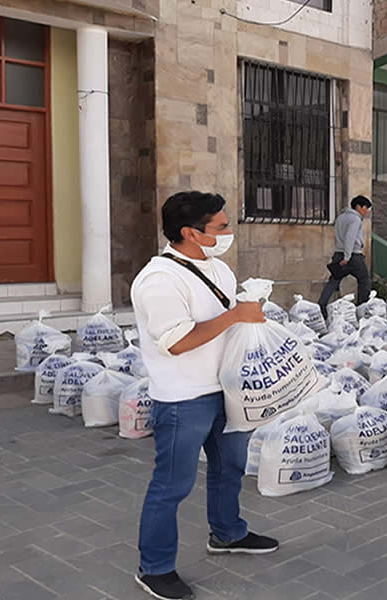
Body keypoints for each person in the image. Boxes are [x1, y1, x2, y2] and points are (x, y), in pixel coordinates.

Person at [131, 192, 278, 600]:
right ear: (190, 233)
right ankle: (155, 568)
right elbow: (177, 342)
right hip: (184, 398)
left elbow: (227, 322)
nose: (229, 232)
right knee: (172, 485)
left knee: (230, 467)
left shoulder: (216, 268)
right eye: (221, 227)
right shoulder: (159, 280)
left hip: (228, 390)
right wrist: (235, 315)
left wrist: (247, 316)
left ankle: (228, 533)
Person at [318, 195, 372, 318]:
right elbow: (350, 238)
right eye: (365, 208)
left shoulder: (340, 217)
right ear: (358, 207)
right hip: (353, 255)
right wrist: (347, 257)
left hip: (338, 253)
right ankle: (362, 310)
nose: (366, 212)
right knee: (364, 281)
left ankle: (322, 306)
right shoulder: (355, 219)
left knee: (333, 281)